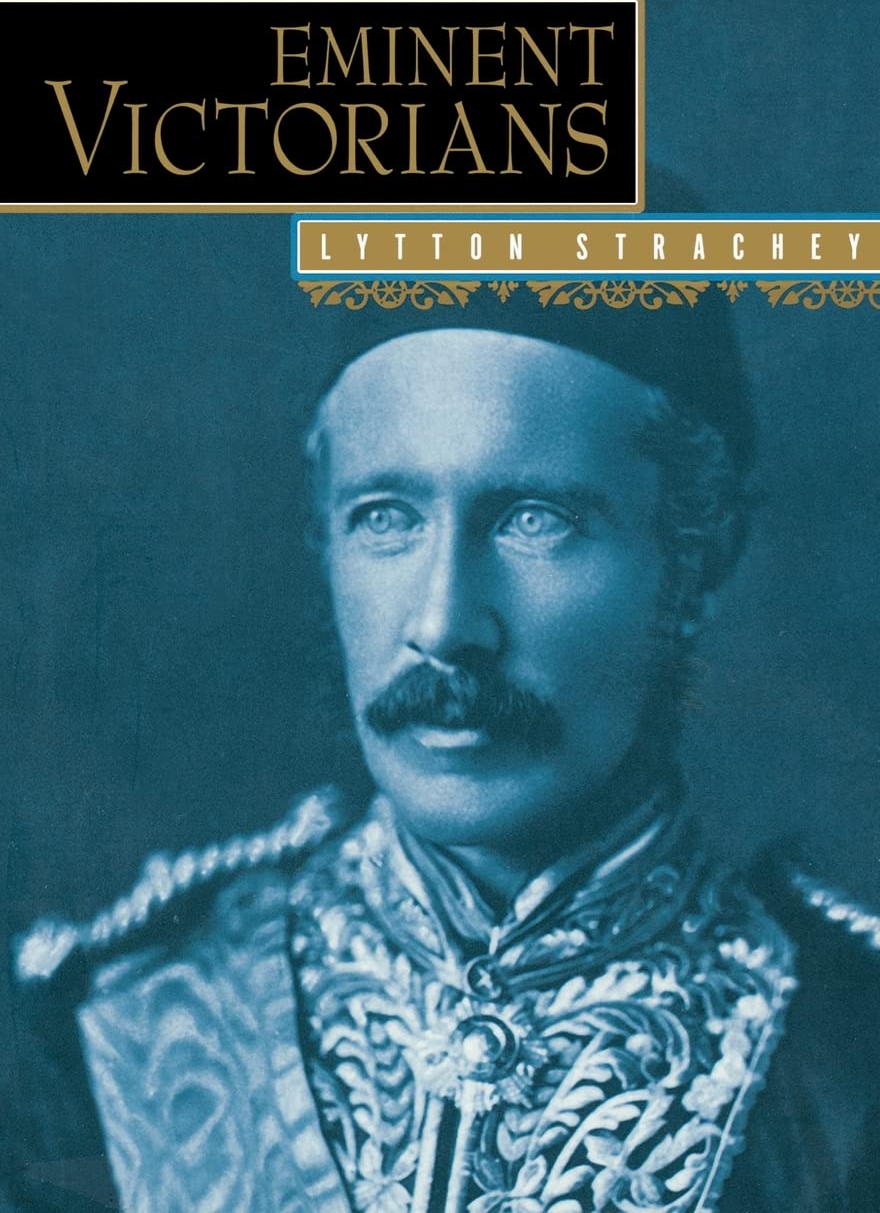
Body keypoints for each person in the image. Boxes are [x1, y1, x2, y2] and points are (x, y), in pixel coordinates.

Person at [3, 289, 878, 1212]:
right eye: (386, 517)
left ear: (701, 556)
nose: (444, 624)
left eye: (535, 519)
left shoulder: (849, 1060)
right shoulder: (104, 1032)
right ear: (325, 538)